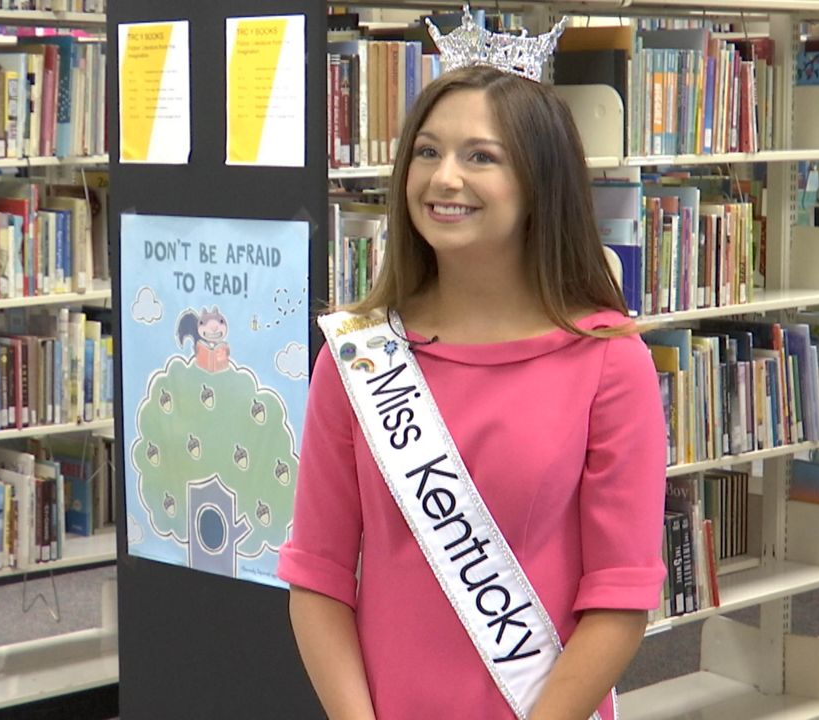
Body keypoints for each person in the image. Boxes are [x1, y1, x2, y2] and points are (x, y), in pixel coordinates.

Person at [278, 51, 668, 720]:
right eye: (427, 152)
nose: (444, 177)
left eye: (481, 156)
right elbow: (317, 576)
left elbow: (619, 597)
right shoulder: (360, 358)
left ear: (539, 184)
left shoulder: (609, 362)